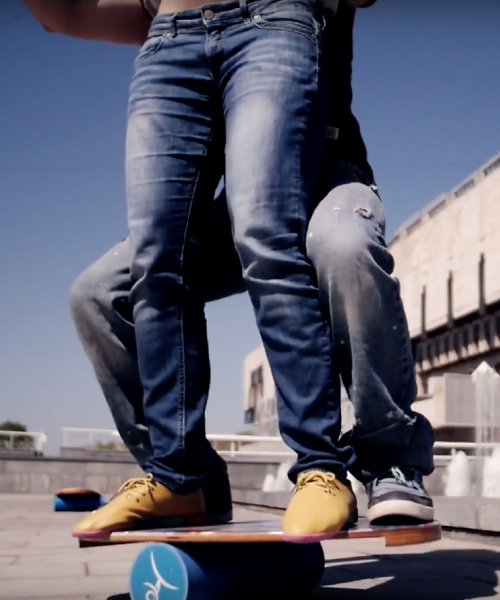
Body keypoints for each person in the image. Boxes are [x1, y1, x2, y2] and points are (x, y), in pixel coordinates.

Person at [25, 0, 434, 536]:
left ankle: (387, 461)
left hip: (330, 175)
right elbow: (68, 16)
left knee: (340, 245)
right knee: (101, 292)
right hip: (234, 196)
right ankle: (187, 476)